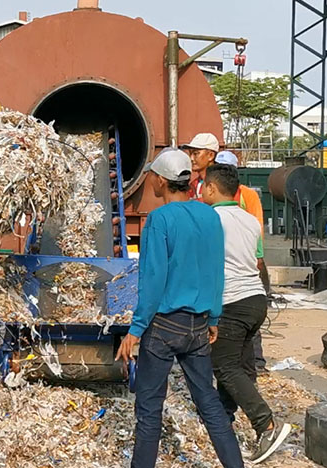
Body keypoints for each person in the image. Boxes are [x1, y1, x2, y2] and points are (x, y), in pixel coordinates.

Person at [116, 148, 244, 468]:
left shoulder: (159, 219)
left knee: (149, 409)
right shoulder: (209, 216)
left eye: (152, 178)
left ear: (160, 180)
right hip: (198, 325)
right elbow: (216, 270)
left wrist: (135, 329)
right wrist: (213, 316)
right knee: (209, 404)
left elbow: (153, 279)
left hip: (164, 325)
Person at [201, 164, 291, 463]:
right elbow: (258, 261)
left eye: (203, 185)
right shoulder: (250, 221)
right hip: (255, 299)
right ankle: (223, 421)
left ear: (212, 188)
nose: (201, 190)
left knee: (224, 366)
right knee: (239, 365)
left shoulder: (211, 219)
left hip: (233, 301)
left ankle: (265, 423)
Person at [215, 151, 271, 373]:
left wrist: (257, 257)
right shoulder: (210, 193)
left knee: (245, 308)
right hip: (228, 261)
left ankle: (256, 361)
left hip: (248, 259)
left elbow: (256, 225)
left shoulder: (247, 195)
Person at [182, 133, 220, 200]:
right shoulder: (193, 185)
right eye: (190, 153)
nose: (191, 158)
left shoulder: (222, 184)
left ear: (211, 155)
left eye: (196, 154)